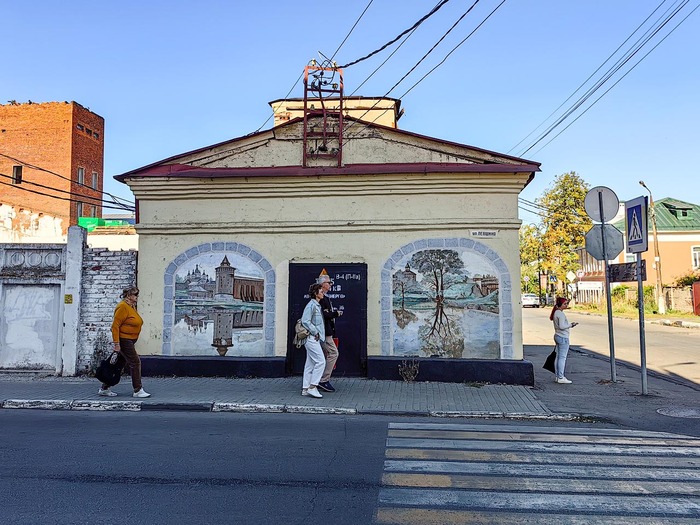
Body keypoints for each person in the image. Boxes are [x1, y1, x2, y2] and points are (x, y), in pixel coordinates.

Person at [98, 286, 151, 398]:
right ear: (129, 295)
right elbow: (115, 326)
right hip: (124, 340)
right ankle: (138, 390)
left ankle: (104, 388)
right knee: (135, 362)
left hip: (130, 340)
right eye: (135, 295)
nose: (137, 297)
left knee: (118, 364)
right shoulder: (122, 307)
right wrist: (117, 344)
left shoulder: (131, 306)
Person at [317, 271, 343, 392]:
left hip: (325, 331)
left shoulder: (324, 298)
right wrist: (336, 313)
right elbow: (324, 315)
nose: (331, 284)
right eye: (329, 282)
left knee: (321, 356)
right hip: (324, 332)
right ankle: (324, 380)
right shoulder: (321, 298)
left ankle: (317, 379)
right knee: (333, 353)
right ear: (323, 284)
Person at [300, 283, 326, 399]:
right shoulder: (311, 305)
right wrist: (315, 332)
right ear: (316, 293)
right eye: (321, 291)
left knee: (310, 364)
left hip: (313, 338)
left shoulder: (316, 305)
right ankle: (313, 386)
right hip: (311, 338)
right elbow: (305, 321)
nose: (323, 293)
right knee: (321, 361)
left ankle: (305, 388)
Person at [550, 297, 578, 384]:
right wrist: (571, 325)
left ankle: (558, 376)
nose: (566, 305)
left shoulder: (556, 312)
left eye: (566, 303)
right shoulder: (560, 314)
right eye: (564, 304)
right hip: (563, 337)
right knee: (562, 358)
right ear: (560, 305)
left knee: (559, 357)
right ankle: (561, 377)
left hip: (557, 335)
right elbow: (562, 326)